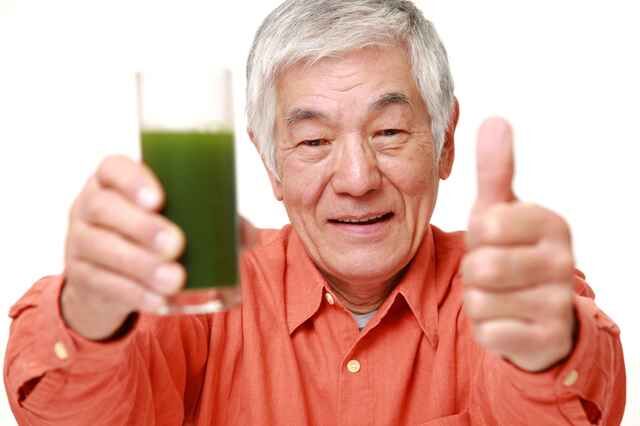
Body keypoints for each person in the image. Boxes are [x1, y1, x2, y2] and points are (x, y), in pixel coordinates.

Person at [4, 0, 626, 424]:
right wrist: (90, 315)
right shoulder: (200, 297)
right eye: (313, 141)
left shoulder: (506, 288)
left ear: (445, 142)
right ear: (270, 162)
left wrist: (547, 351)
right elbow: (72, 412)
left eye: (389, 131)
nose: (356, 179)